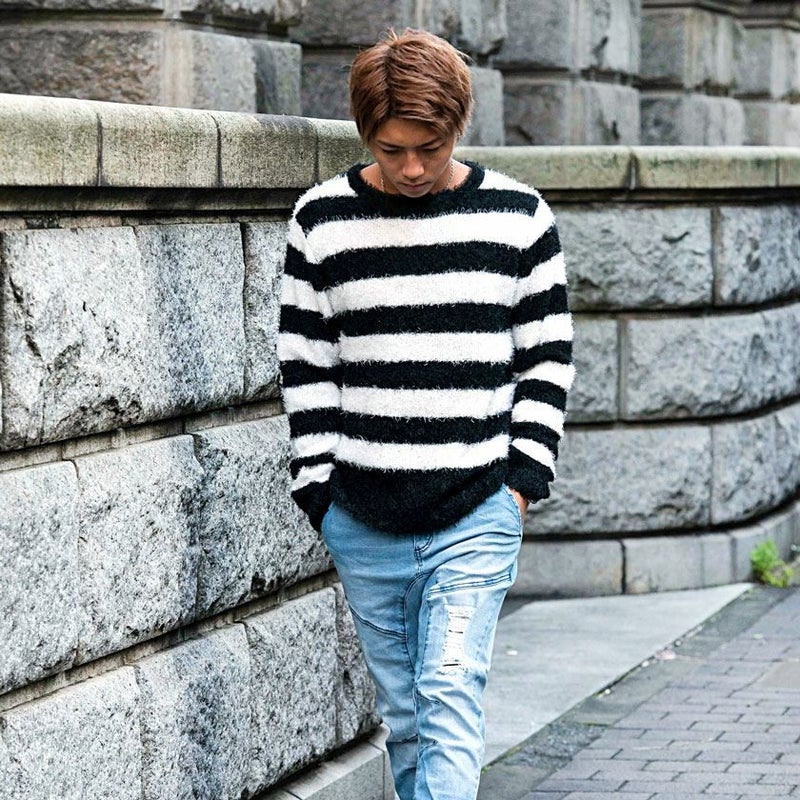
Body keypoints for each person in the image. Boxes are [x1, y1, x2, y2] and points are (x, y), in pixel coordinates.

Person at [278, 28, 574, 800]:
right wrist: (319, 492)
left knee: (447, 691)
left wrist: (521, 484)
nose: (412, 168)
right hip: (361, 517)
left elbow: (546, 359)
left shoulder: (518, 217)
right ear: (364, 133)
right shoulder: (321, 221)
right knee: (407, 717)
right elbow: (306, 366)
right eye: (391, 149)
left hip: (476, 510)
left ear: (459, 126)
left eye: (430, 148)